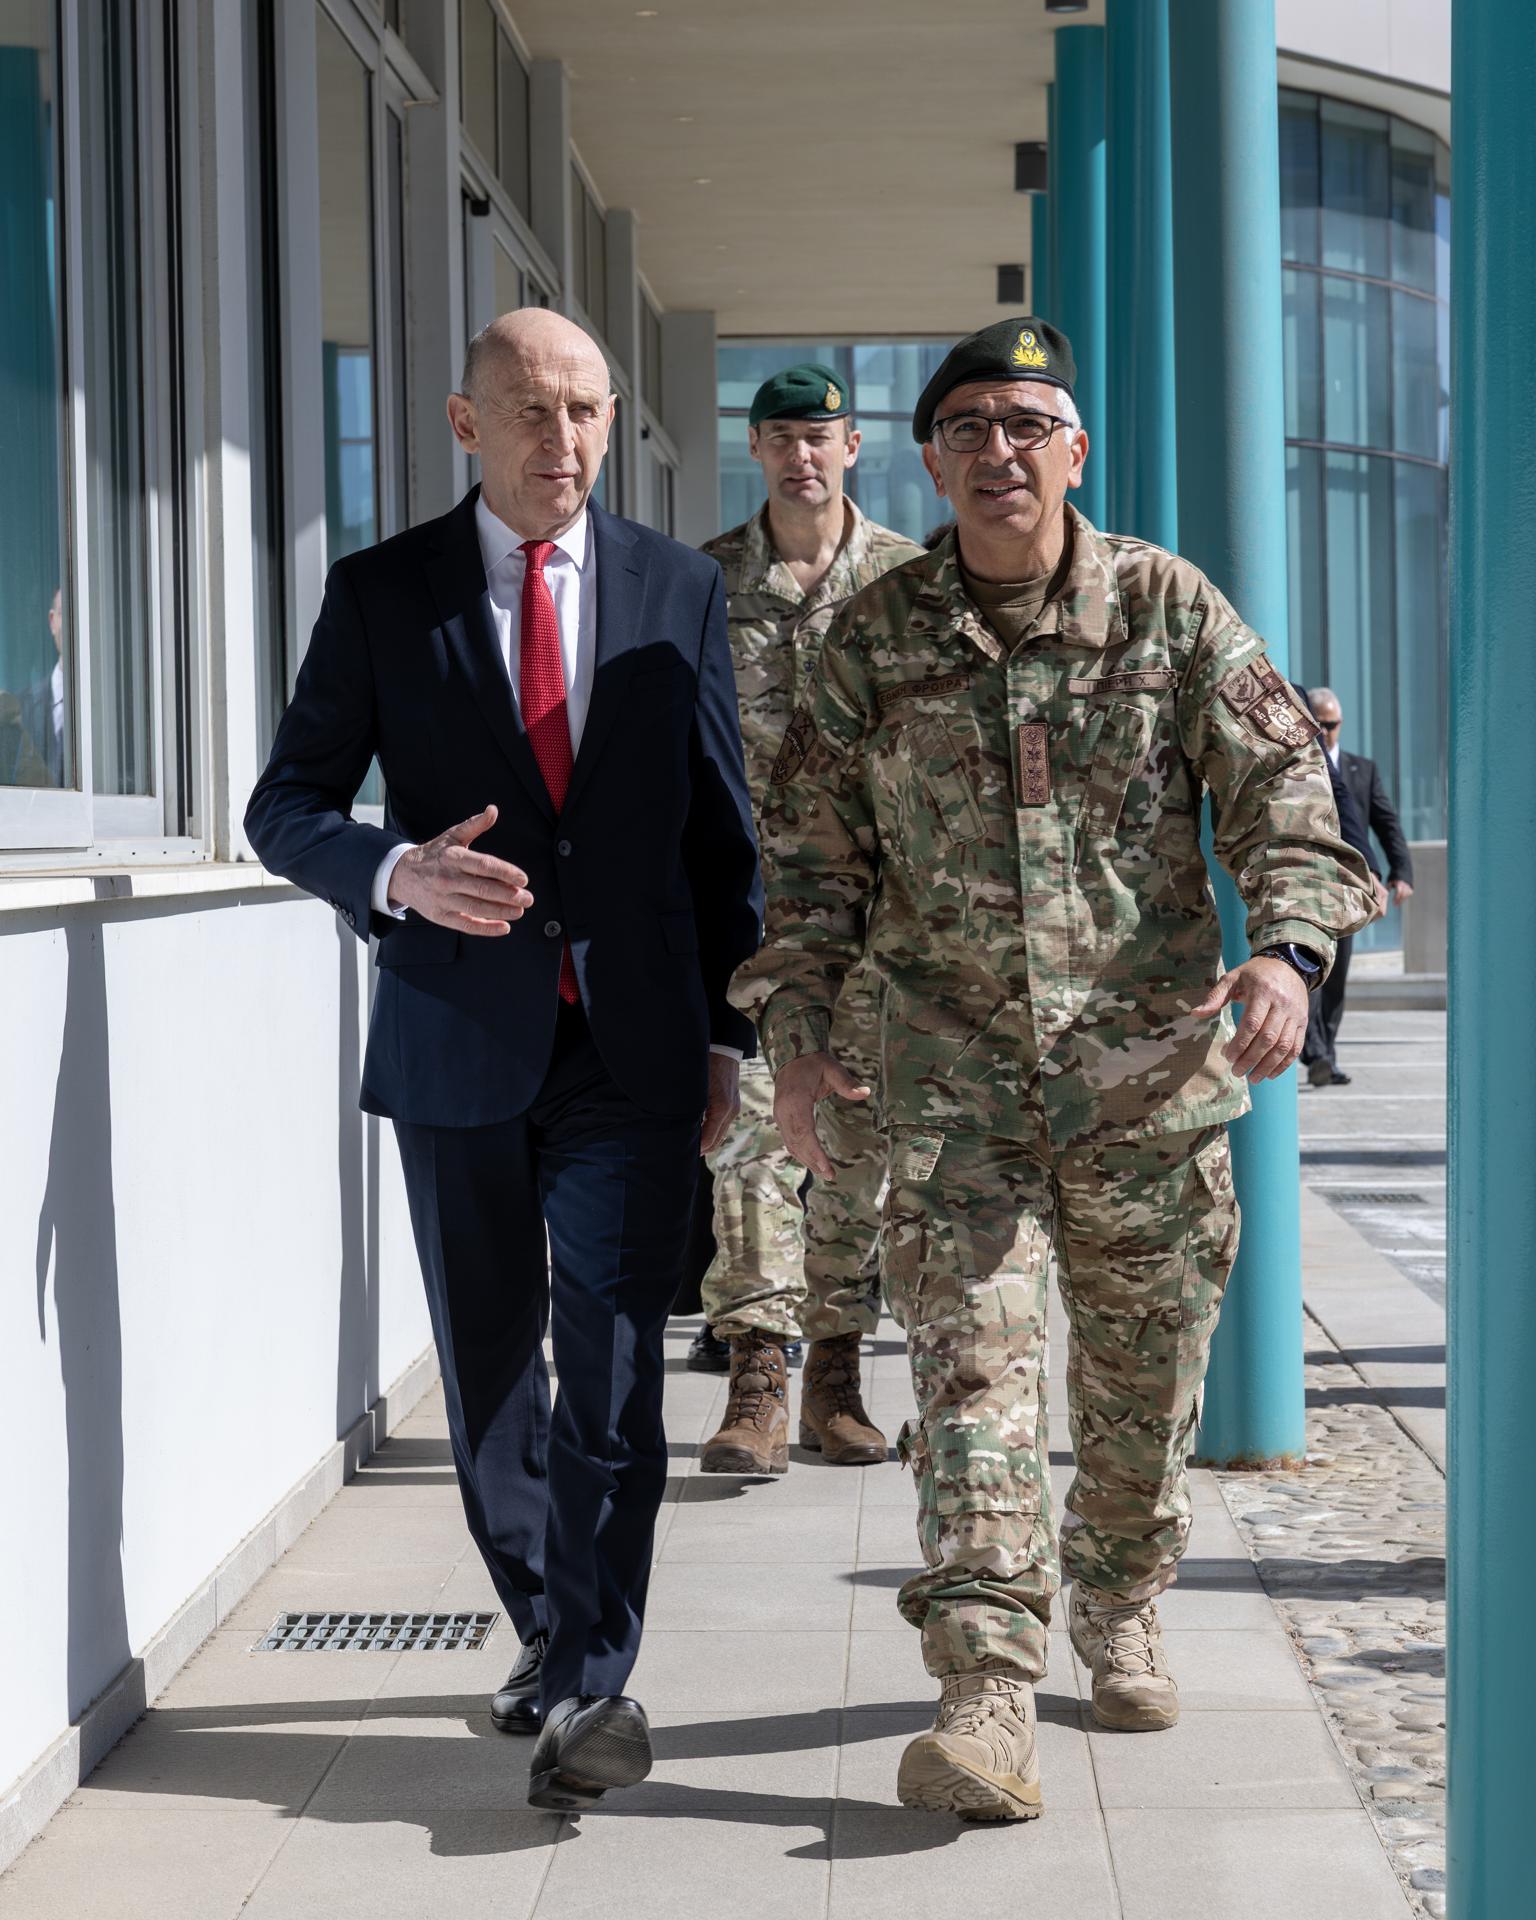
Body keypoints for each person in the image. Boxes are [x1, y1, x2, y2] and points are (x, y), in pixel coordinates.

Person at [737, 316, 1377, 1822]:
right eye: (969, 429)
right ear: (934, 461)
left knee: (1146, 1392)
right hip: (948, 1089)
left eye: (1028, 425)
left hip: (1146, 1085)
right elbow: (810, 868)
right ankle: (984, 1685)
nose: (999, 452)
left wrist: (1287, 954)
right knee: (972, 1384)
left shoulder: (1169, 609)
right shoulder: (870, 643)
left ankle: (1123, 1591)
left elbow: (1288, 796)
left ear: (1074, 452)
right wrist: (803, 1049)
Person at [245, 309, 760, 1811]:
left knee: (607, 1372)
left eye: (588, 409)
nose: (568, 442)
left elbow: (720, 833)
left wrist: (729, 1025)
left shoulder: (682, 589)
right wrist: (397, 870)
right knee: (491, 1375)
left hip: (636, 1045)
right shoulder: (381, 594)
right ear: (467, 425)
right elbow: (287, 806)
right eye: (533, 412)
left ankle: (595, 1681)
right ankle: (544, 1627)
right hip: (457, 1037)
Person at [695, 364, 921, 1473]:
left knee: (854, 1140)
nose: (802, 457)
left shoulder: (910, 581)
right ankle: (756, 1377)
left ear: (853, 446)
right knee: (744, 1145)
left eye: (820, 437)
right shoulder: (702, 583)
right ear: (756, 449)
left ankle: (838, 1369)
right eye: (782, 437)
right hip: (744, 911)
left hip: (878, 917)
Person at [1301, 687, 1413, 1088]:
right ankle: (1315, 1053)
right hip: (1309, 883)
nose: (1326, 731)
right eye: (1319, 724)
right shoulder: (1297, 765)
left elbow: (1385, 823)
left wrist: (1399, 872)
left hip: (1347, 888)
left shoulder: (1360, 770)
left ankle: (1326, 1053)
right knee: (1311, 969)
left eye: (1331, 724)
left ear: (1341, 723)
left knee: (1337, 977)